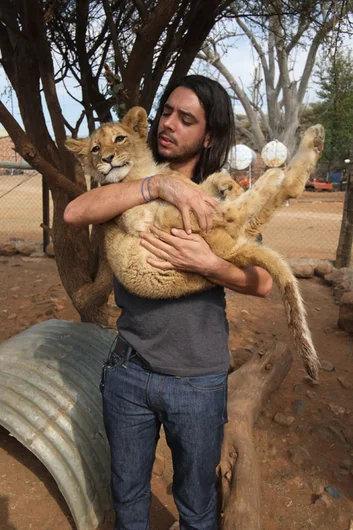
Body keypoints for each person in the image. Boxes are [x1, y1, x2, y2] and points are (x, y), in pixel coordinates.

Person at [64, 75, 272, 530]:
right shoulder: (131, 177)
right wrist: (159, 186)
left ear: (209, 134)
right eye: (167, 112)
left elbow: (262, 283)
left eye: (186, 119)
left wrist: (212, 265)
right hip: (129, 370)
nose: (169, 124)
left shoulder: (221, 190)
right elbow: (75, 213)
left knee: (197, 507)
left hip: (196, 379)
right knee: (129, 496)